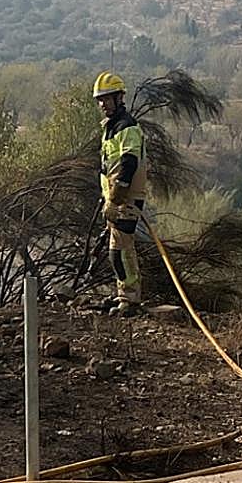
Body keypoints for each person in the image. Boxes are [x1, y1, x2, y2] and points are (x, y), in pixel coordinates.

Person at [94, 71, 147, 317]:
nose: (103, 104)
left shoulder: (127, 127)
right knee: (117, 250)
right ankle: (123, 293)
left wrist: (116, 196)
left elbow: (128, 163)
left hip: (125, 199)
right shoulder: (111, 128)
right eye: (100, 100)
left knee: (122, 250)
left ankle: (130, 298)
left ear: (119, 98)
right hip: (113, 199)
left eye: (107, 98)